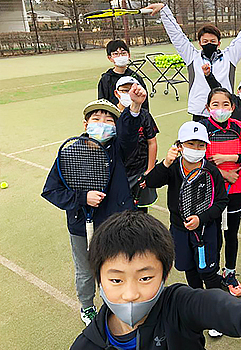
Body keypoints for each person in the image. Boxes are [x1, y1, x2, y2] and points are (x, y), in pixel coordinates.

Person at [70, 210, 241, 349]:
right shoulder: (87, 344)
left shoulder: (177, 306)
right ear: (99, 277)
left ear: (165, 274)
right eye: (116, 281)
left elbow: (214, 305)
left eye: (145, 277)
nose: (130, 294)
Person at [41, 85, 147, 326]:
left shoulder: (118, 148)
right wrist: (81, 198)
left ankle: (115, 302)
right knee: (85, 270)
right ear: (85, 124)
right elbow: (51, 190)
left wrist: (136, 106)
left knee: (117, 267)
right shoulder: (70, 153)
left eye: (109, 120)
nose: (103, 123)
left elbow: (130, 133)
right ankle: (87, 306)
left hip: (116, 223)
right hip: (81, 226)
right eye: (96, 118)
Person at [144, 3, 241, 121]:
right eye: (205, 42)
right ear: (199, 43)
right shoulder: (192, 56)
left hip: (224, 112)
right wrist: (163, 10)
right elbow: (177, 36)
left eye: (213, 41)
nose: (209, 44)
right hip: (199, 112)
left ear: (219, 43)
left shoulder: (229, 57)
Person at [144, 121, 227, 293]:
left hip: (206, 231)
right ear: (180, 145)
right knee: (190, 269)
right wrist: (166, 162)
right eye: (190, 144)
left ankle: (216, 305)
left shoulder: (211, 171)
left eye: (200, 145)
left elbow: (221, 201)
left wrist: (201, 219)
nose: (196, 149)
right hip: (179, 230)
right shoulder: (173, 167)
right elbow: (151, 181)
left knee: (209, 273)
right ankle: (197, 300)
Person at [200, 87, 241, 298]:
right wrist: (224, 176)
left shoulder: (238, 127)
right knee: (213, 236)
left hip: (236, 192)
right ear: (208, 108)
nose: (220, 109)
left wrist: (230, 158)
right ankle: (213, 275)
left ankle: (230, 273)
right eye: (215, 105)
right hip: (212, 193)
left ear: (233, 107)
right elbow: (199, 159)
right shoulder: (203, 128)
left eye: (225, 105)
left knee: (231, 235)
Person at [114, 76, 159, 212]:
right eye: (125, 90)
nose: (129, 94)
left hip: (140, 171)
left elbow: (152, 143)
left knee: (141, 213)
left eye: (133, 90)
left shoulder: (145, 115)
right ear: (117, 93)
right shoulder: (111, 114)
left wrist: (149, 169)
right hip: (119, 172)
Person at [203, 64, 241, 153]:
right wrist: (208, 75)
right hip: (230, 141)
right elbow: (218, 88)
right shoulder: (233, 101)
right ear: (238, 91)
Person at [98, 40, 150, 111]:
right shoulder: (106, 79)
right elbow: (102, 104)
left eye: (123, 53)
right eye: (116, 54)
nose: (120, 56)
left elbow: (144, 104)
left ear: (129, 55)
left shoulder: (136, 78)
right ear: (110, 58)